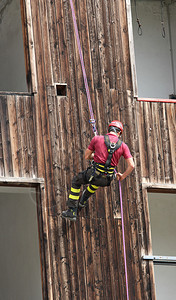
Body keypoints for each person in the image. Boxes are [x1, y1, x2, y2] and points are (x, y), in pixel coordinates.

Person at [62, 120, 134, 221]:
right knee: (96, 182)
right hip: (107, 180)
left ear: (109, 129)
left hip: (94, 174)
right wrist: (123, 176)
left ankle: (72, 211)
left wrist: (96, 156)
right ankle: (83, 201)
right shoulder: (123, 146)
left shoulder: (97, 139)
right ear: (119, 133)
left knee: (77, 181)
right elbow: (132, 165)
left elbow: (87, 156)